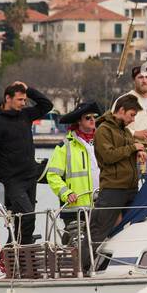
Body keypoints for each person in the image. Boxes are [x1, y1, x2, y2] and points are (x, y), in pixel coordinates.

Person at [0, 81, 54, 245]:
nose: (23, 103)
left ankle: (18, 254)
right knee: (28, 216)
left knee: (25, 221)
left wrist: (29, 89)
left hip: (30, 177)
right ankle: (17, 253)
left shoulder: (25, 115)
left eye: (24, 100)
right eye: (20, 99)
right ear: (8, 98)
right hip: (12, 180)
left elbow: (47, 105)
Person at [89, 95, 147, 261]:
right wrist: (132, 148)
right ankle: (83, 266)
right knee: (99, 230)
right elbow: (108, 156)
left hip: (130, 188)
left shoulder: (125, 130)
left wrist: (141, 152)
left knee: (134, 227)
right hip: (113, 188)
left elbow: (131, 148)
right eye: (131, 114)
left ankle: (124, 262)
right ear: (121, 111)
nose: (132, 119)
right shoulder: (103, 130)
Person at [46, 100, 103, 269]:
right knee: (78, 246)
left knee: (101, 245)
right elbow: (52, 175)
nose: (93, 120)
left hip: (101, 207)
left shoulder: (103, 142)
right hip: (75, 209)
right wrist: (65, 193)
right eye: (88, 117)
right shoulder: (65, 146)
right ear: (79, 121)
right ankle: (76, 272)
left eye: (95, 117)